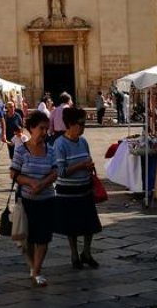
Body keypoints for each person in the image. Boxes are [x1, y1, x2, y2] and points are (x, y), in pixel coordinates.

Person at [10, 110, 58, 287]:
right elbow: (13, 173)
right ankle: (32, 266)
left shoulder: (50, 150)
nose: (45, 132)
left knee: (43, 237)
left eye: (47, 129)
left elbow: (55, 171)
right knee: (27, 237)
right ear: (31, 128)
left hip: (47, 199)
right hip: (27, 200)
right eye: (42, 128)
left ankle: (37, 270)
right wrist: (31, 182)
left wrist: (43, 184)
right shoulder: (21, 150)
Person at [53, 107, 102, 269]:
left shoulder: (83, 142)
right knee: (72, 226)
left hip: (85, 189)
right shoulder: (59, 144)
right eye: (81, 124)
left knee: (90, 225)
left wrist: (89, 166)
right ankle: (74, 254)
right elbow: (60, 172)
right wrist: (81, 165)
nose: (84, 127)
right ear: (71, 124)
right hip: (68, 192)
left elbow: (88, 159)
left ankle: (86, 252)